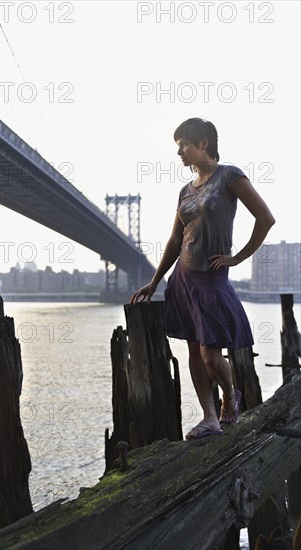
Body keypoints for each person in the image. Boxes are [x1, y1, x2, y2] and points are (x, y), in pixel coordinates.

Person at [130, 118, 275, 440]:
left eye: (184, 144)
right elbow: (174, 240)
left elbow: (266, 218)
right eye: (178, 145)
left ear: (204, 144)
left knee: (212, 355)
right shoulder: (185, 190)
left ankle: (230, 396)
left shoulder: (230, 176)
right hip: (182, 277)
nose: (179, 152)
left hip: (211, 277)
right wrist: (155, 281)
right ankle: (209, 417)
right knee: (194, 353)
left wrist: (237, 258)